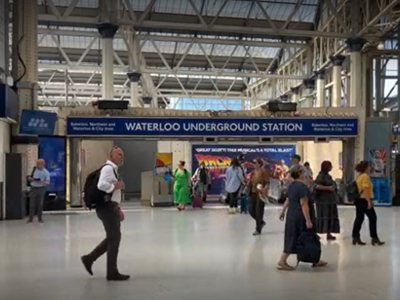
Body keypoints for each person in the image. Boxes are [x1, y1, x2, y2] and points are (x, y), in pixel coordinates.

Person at [81, 147, 130, 281]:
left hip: (111, 207)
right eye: (118, 154)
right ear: (111, 156)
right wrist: (116, 186)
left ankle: (90, 259)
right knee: (114, 238)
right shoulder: (108, 168)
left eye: (122, 154)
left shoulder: (113, 169)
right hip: (106, 208)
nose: (121, 156)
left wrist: (118, 207)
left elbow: (112, 193)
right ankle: (110, 271)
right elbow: (102, 185)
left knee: (113, 238)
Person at [277, 165, 328, 270]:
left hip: (292, 215)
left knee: (292, 237)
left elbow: (288, 199)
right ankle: (282, 261)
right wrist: (308, 220)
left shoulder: (292, 185)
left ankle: (316, 259)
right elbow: (304, 204)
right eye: (303, 172)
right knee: (306, 237)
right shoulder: (302, 187)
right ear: (300, 173)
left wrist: (283, 211)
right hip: (300, 217)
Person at [351, 161, 385, 246]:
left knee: (359, 218)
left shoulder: (359, 176)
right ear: (366, 167)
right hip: (364, 200)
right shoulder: (365, 176)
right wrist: (369, 202)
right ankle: (374, 238)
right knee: (373, 217)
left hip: (358, 200)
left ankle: (355, 236)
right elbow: (365, 189)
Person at [313, 161, 340, 240]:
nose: (331, 167)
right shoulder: (320, 176)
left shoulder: (328, 176)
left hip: (330, 201)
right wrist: (328, 188)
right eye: (330, 166)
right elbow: (316, 186)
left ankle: (329, 233)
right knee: (323, 216)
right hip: (323, 201)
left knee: (330, 217)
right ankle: (316, 233)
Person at [247, 158, 270, 236]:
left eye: (255, 163)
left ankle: (258, 229)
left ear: (259, 164)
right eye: (253, 163)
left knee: (258, 211)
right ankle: (261, 222)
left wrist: (264, 189)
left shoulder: (263, 172)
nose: (254, 164)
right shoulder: (253, 172)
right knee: (251, 210)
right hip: (253, 192)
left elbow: (267, 182)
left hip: (260, 193)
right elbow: (250, 182)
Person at [27, 159, 50, 223]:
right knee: (32, 203)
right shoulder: (34, 170)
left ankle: (40, 218)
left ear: (42, 164)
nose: (38, 165)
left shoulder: (46, 172)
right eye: (37, 164)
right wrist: (31, 179)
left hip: (41, 188)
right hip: (33, 188)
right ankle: (30, 218)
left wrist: (42, 181)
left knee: (40, 203)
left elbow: (48, 182)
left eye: (39, 164)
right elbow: (29, 177)